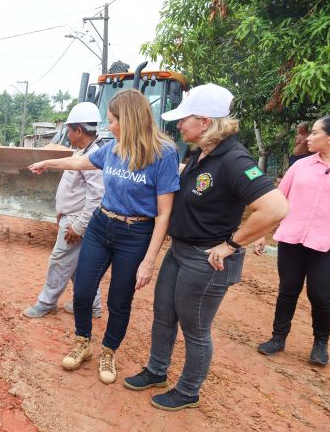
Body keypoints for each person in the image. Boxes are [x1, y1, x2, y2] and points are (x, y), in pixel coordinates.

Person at [122, 83, 288, 410]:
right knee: (163, 314)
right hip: (180, 250)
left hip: (207, 260)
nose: (179, 125)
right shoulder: (201, 153)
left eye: (185, 119)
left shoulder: (234, 160)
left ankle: (188, 390)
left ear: (206, 122)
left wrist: (231, 245)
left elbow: (276, 208)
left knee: (195, 327)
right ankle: (157, 370)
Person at [29, 89, 180, 385]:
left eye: (112, 120)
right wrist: (47, 164)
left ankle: (109, 351)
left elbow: (164, 214)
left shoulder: (163, 154)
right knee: (83, 291)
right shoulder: (113, 149)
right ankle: (83, 342)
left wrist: (149, 260)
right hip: (101, 225)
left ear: (130, 119)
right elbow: (78, 162)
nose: (108, 127)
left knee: (119, 300)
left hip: (136, 234)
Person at [256, 114, 330, 365]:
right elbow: (278, 200)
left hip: (329, 243)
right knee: (287, 290)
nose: (308, 137)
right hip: (292, 239)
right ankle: (278, 337)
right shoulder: (300, 166)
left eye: (314, 133)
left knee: (320, 295)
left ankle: (320, 344)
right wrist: (260, 233)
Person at [23, 102, 105, 319]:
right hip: (72, 218)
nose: (67, 134)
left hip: (77, 221)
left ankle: (46, 303)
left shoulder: (95, 156)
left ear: (79, 130)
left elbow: (97, 198)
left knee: (59, 261)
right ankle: (93, 305)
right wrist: (47, 163)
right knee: (77, 266)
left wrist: (78, 226)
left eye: (68, 129)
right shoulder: (84, 151)